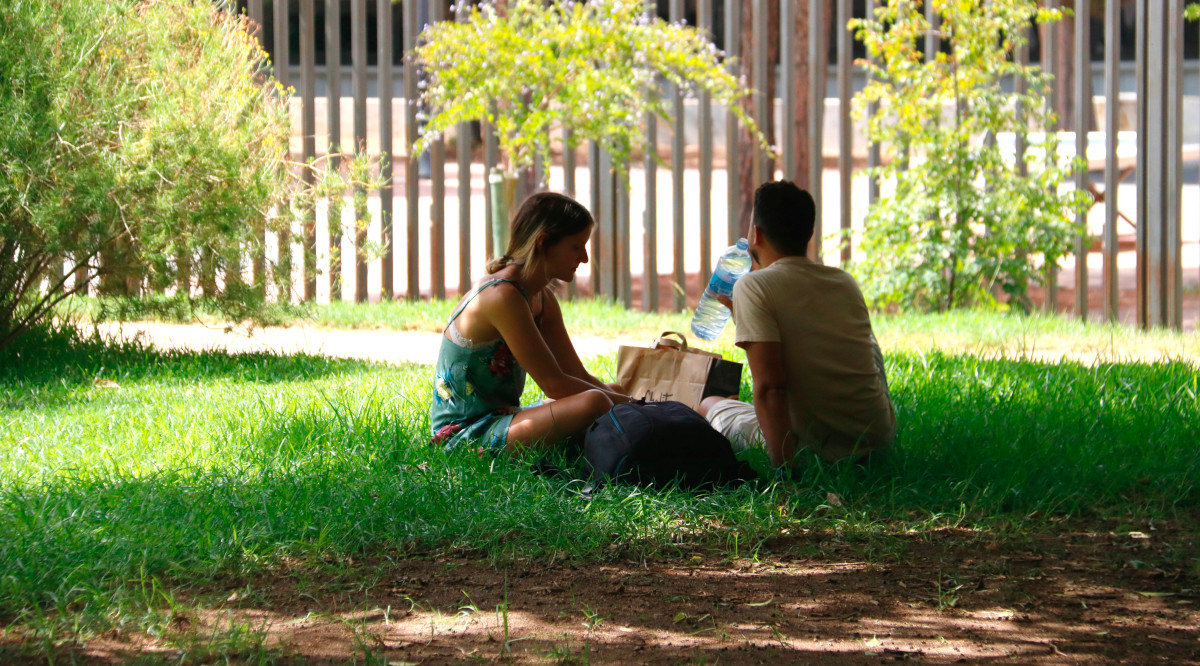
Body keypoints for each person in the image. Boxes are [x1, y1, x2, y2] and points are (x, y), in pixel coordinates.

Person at [698, 181, 896, 470]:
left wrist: (786, 472)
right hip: (875, 445)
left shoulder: (754, 286)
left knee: (708, 404)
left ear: (757, 233)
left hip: (817, 452)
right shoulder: (844, 282)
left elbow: (769, 388)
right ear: (809, 234)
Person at [430, 191, 629, 455]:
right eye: (576, 246)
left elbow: (576, 375)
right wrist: (638, 405)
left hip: (506, 417)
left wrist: (630, 401)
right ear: (543, 242)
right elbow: (554, 385)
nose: (584, 258)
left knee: (610, 391)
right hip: (464, 435)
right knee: (595, 401)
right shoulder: (502, 296)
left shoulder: (541, 297)